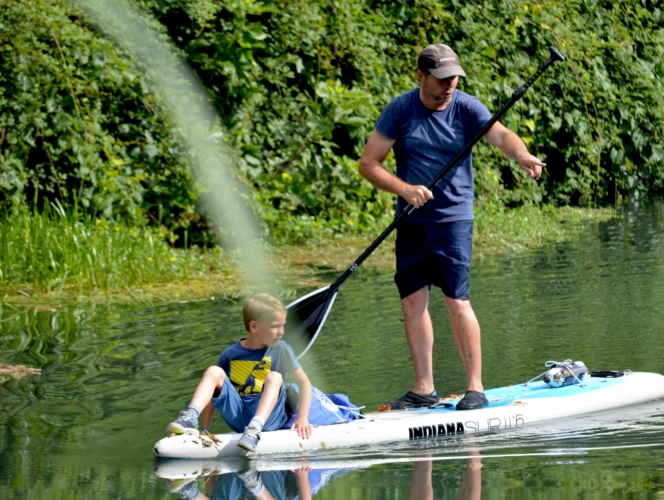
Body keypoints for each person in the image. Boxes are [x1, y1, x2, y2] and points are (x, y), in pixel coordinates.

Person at [358, 44, 545, 411]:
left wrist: (521, 154)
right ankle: (423, 388)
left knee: (457, 301)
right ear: (421, 76)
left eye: (454, 78)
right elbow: (369, 163)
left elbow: (502, 135)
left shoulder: (466, 106)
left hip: (453, 221)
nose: (449, 85)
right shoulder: (400, 110)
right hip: (411, 221)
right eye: (442, 79)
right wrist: (405, 189)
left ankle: (475, 387)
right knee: (412, 303)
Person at [166, 293, 313, 451]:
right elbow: (214, 393)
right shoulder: (230, 354)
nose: (281, 331)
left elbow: (304, 383)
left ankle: (255, 429)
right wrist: (205, 429)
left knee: (274, 377)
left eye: (283, 325)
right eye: (275, 326)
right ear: (254, 327)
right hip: (238, 415)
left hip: (270, 418)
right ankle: (190, 417)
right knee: (214, 371)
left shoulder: (281, 349)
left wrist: (302, 418)